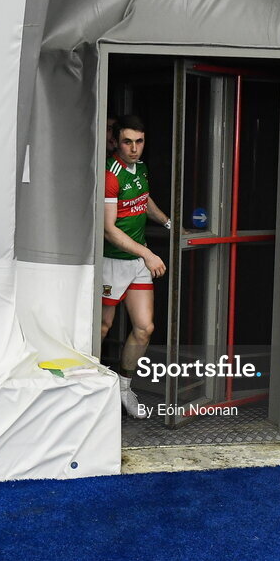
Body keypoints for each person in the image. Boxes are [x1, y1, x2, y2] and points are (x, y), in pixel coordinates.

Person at [101, 114, 172, 418]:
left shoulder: (140, 167)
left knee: (144, 328)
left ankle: (124, 388)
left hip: (137, 262)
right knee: (102, 327)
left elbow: (144, 200)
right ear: (116, 142)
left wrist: (168, 223)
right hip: (111, 261)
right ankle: (88, 391)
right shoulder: (110, 174)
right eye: (127, 142)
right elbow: (108, 229)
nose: (133, 148)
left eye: (139, 142)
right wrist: (148, 254)